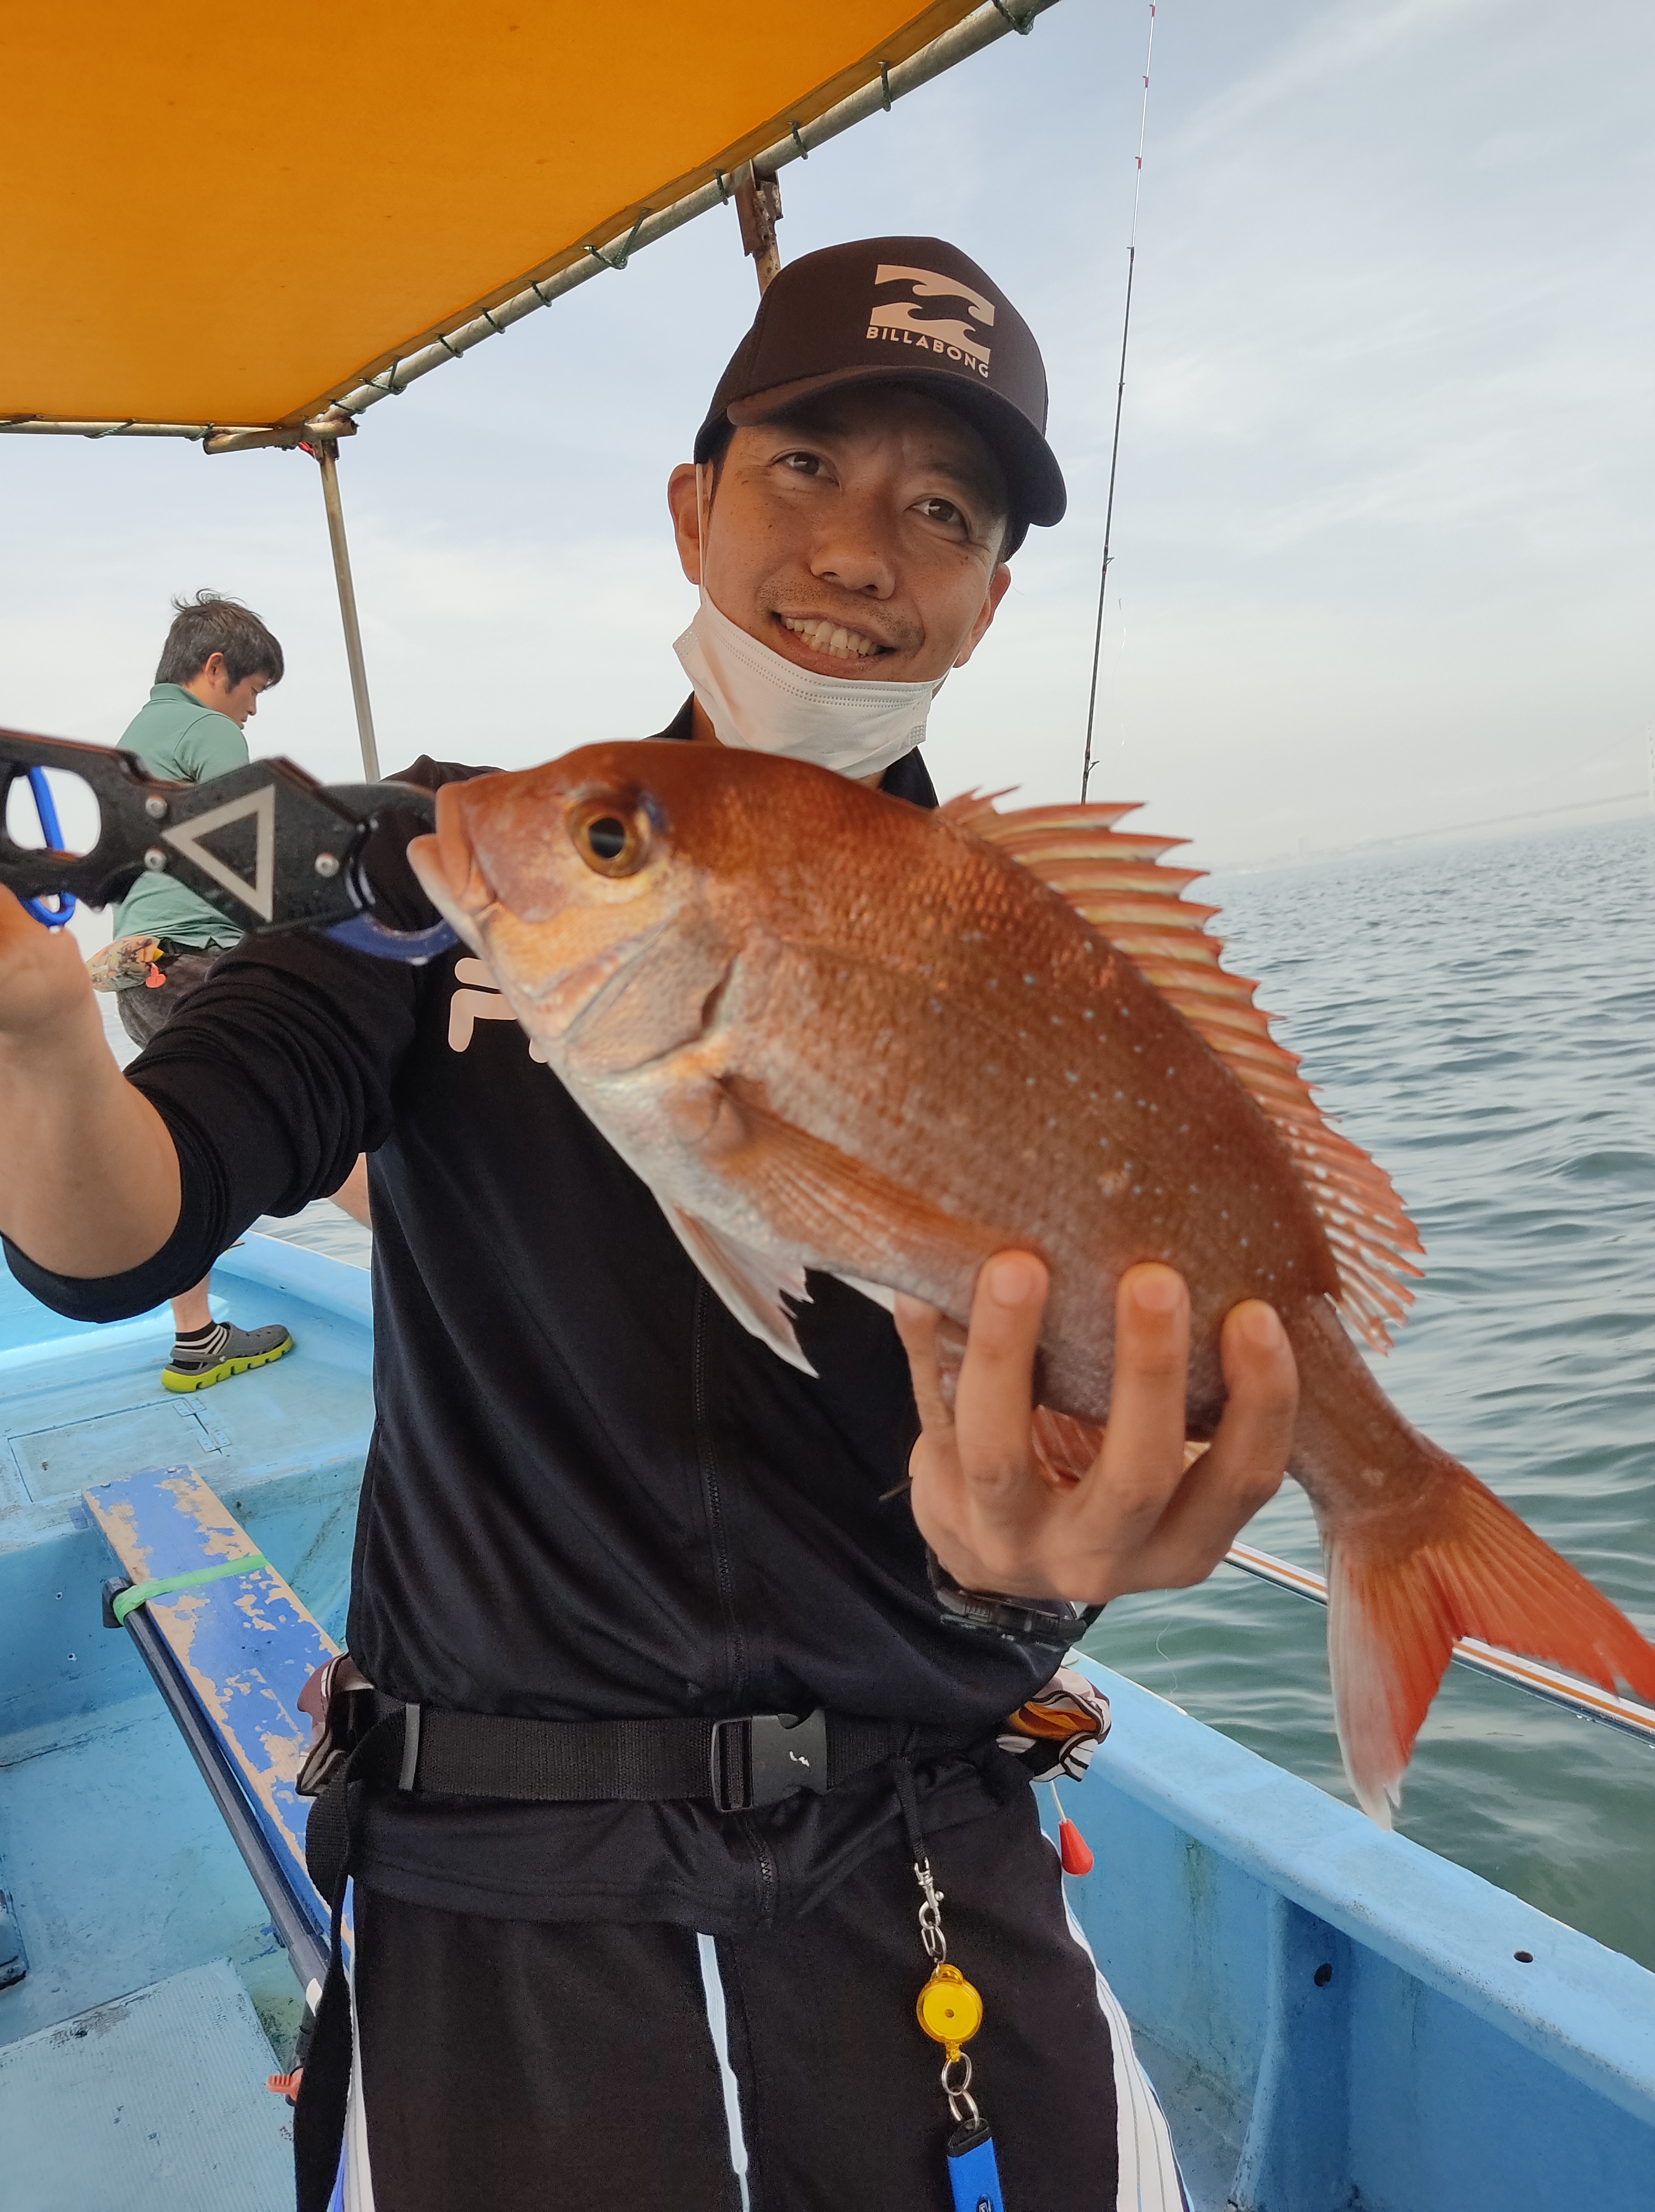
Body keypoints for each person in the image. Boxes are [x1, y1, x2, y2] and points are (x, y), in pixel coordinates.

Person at [0, 241, 1298, 2211]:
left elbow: (1095, 1425)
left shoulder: (1029, 959)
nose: (859, 550)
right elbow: (128, 1225)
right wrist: (38, 1046)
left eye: (943, 512)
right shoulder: (462, 860)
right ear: (693, 509)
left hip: (924, 1861)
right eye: (805, 467)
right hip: (495, 1894)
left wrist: (1038, 1579)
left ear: (987, 600)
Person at [92, 591, 298, 1390]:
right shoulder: (208, 729)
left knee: (190, 1140)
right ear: (216, 669)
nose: (252, 711)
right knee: (321, 1105)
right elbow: (251, 849)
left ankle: (196, 1337)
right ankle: (442, 1289)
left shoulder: (138, 736)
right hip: (196, 960)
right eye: (253, 690)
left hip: (141, 969)